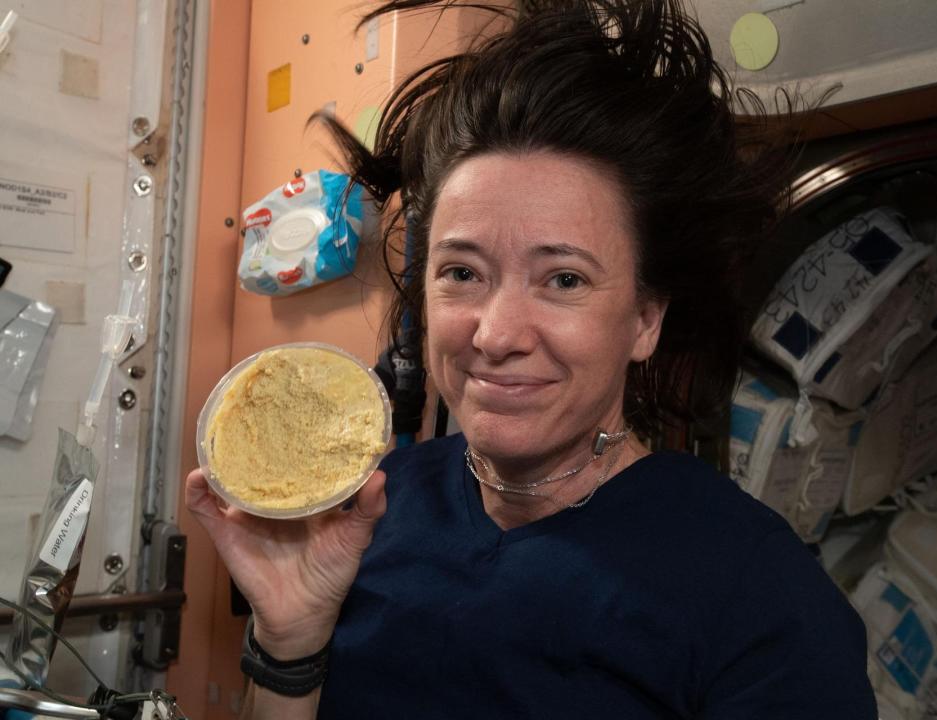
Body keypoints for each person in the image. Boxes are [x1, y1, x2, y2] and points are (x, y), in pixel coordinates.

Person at [185, 1, 878, 717]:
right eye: (462, 273)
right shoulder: (368, 508)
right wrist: (290, 644)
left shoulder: (759, 597)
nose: (495, 333)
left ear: (644, 320)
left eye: (564, 280)